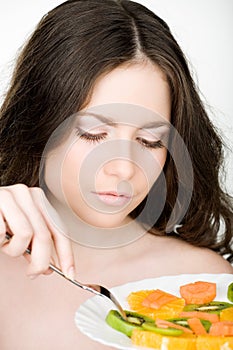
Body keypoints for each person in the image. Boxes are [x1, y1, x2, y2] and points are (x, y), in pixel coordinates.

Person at [0, 0, 232, 349]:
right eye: (93, 133)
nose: (124, 168)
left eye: (150, 140)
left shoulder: (206, 283)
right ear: (38, 122)